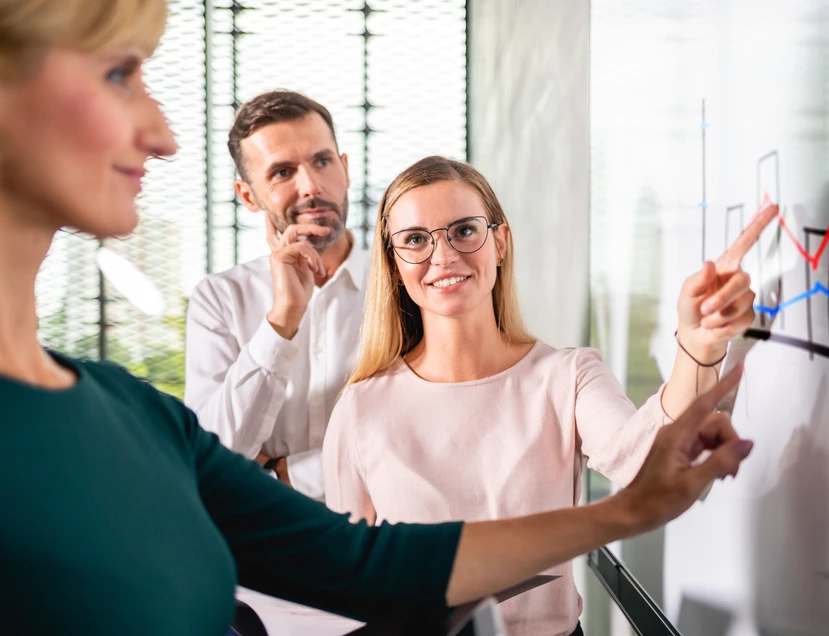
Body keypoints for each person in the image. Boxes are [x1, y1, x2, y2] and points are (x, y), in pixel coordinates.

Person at [0, 1, 754, 634]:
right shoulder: (239, 336)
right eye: (118, 73)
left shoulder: (133, 416)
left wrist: (639, 478)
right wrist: (283, 326)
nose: (163, 135)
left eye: (323, 160)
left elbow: (363, 561)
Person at [323, 156, 777, 635]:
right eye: (416, 239)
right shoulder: (361, 409)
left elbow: (645, 461)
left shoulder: (567, 377)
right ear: (394, 264)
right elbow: (346, 579)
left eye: (463, 230)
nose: (443, 256)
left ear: (499, 242)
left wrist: (698, 344)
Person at [184, 90, 364, 498]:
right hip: (262, 550)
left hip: (385, 536)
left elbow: (424, 431)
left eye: (323, 161)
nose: (311, 186)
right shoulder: (218, 299)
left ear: (346, 168)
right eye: (282, 172)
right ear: (249, 196)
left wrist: (287, 476)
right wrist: (283, 318)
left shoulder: (406, 285)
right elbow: (212, 457)